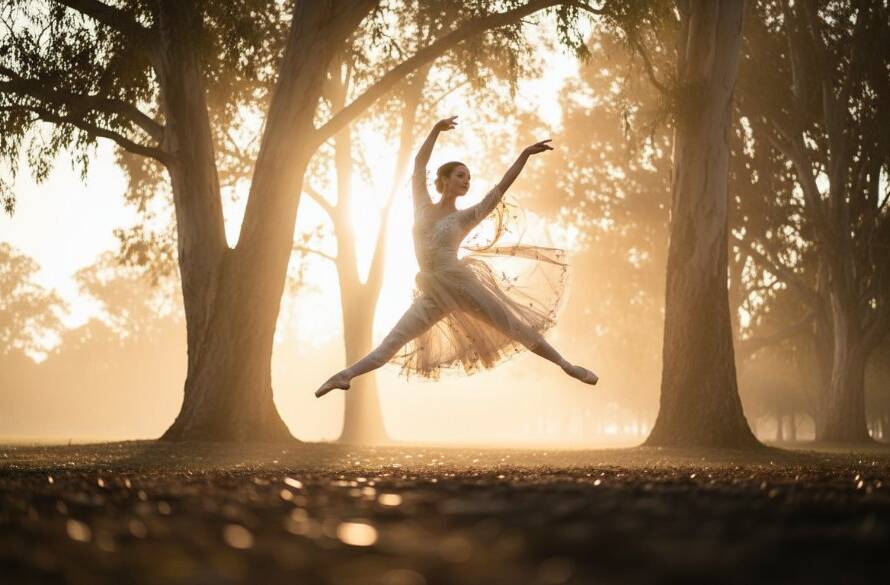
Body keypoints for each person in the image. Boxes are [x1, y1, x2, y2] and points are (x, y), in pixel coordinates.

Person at [315, 115, 598, 398]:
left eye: (469, 178)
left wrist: (524, 155)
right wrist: (435, 130)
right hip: (433, 293)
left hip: (464, 285)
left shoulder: (464, 218)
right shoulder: (421, 205)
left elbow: (499, 189)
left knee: (514, 327)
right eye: (461, 176)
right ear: (444, 180)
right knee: (392, 343)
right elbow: (418, 165)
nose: (466, 181)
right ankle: (344, 375)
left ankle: (566, 365)